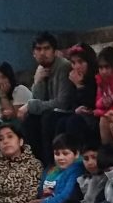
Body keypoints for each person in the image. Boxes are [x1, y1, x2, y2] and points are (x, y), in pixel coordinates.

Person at [18, 32, 74, 167]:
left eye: (46, 48)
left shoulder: (64, 66)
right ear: (33, 53)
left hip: (67, 112)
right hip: (50, 113)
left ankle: (50, 165)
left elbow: (62, 102)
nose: (42, 53)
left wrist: (30, 106)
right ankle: (36, 165)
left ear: (54, 51)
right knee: (29, 120)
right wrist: (37, 81)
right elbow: (38, 98)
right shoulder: (41, 69)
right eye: (38, 49)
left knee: (47, 118)